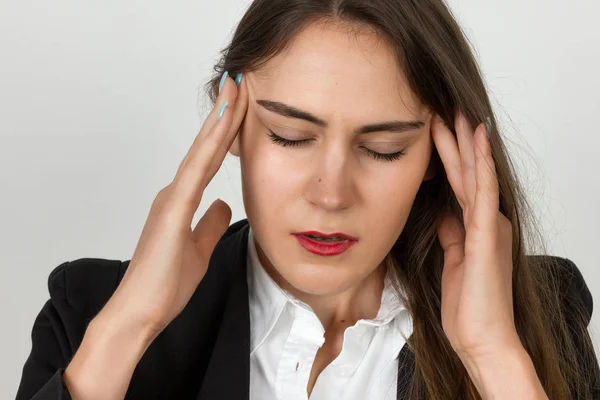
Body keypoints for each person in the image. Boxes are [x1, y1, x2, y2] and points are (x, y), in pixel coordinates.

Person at [15, 0, 600, 399]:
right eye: (291, 137)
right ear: (231, 123)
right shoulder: (89, 313)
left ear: (438, 157)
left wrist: (494, 356)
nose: (331, 194)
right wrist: (129, 326)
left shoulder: (543, 315)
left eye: (385, 148)